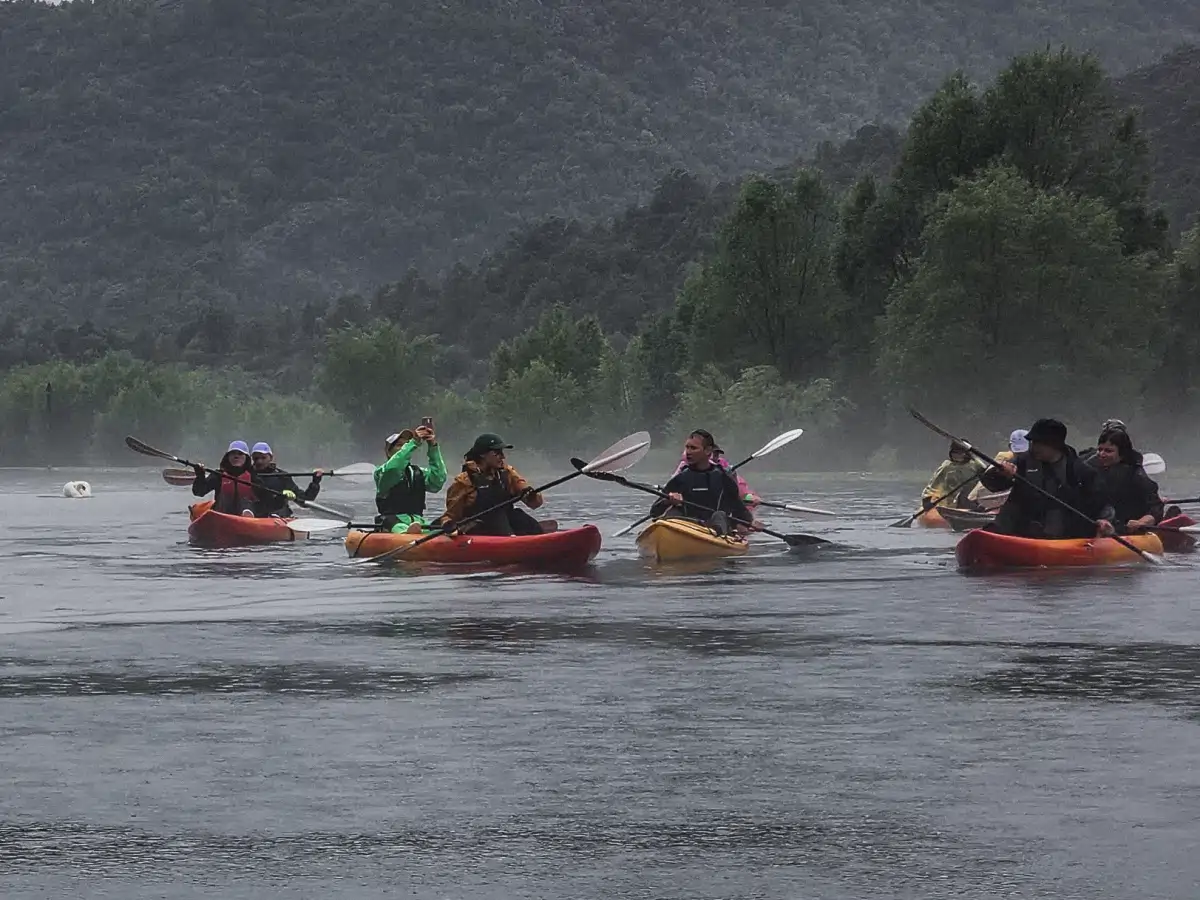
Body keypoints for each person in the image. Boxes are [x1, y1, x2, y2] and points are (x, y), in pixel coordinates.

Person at [980, 418, 1115, 539]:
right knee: (1012, 508)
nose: (1032, 447)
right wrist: (1000, 474)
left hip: (1059, 533)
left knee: (1056, 512)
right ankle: (999, 535)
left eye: (1038, 443)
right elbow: (991, 485)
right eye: (1032, 442)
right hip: (1021, 527)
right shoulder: (1022, 462)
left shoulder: (1079, 470)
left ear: (1054, 445)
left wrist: (1104, 520)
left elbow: (1102, 503)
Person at [652, 429, 763, 535]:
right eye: (687, 448)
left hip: (714, 528)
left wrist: (750, 522)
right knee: (673, 513)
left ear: (708, 451)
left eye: (693, 448)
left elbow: (738, 507)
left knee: (720, 515)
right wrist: (667, 500)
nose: (688, 452)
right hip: (688, 526)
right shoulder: (680, 478)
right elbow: (654, 512)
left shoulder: (723, 478)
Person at [437, 433, 544, 536]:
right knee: (496, 515)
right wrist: (448, 525)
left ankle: (539, 539)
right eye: (496, 453)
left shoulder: (507, 473)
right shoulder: (464, 481)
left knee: (518, 514)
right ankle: (510, 541)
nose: (502, 457)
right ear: (483, 455)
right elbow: (450, 516)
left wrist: (531, 495)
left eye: (502, 452)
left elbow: (535, 504)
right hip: (477, 529)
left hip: (505, 525)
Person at [1086, 427, 1163, 533]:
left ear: (1122, 454)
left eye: (1108, 451)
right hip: (1101, 525)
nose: (1102, 454)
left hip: (1127, 529)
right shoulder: (1090, 468)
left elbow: (1156, 507)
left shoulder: (1136, 475)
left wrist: (1142, 522)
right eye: (1100, 449)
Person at [374, 425, 447, 533]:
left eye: (406, 445)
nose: (405, 448)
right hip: (392, 523)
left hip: (419, 523)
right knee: (392, 522)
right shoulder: (381, 472)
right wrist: (413, 443)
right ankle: (406, 533)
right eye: (399, 445)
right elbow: (394, 468)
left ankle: (425, 534)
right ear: (389, 452)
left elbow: (438, 481)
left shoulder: (418, 472)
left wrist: (433, 446)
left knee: (443, 522)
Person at [672, 440, 760, 510]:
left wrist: (750, 496)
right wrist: (672, 495)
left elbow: (739, 488)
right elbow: (672, 485)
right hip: (689, 507)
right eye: (712, 454)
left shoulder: (723, 469)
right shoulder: (685, 467)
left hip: (715, 510)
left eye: (716, 455)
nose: (714, 458)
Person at [249, 442, 322, 518]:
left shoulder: (282, 477)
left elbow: (304, 500)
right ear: (252, 459)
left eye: (263, 458)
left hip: (278, 514)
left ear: (271, 458)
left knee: (280, 509)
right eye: (256, 458)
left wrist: (315, 483)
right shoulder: (248, 474)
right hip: (256, 512)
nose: (259, 461)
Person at [191, 440, 256, 515]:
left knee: (246, 500)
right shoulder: (218, 475)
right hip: (222, 515)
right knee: (226, 499)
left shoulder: (253, 476)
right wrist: (200, 475)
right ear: (227, 457)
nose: (236, 456)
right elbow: (199, 492)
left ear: (246, 458)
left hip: (245, 517)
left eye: (240, 454)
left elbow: (265, 499)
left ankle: (247, 514)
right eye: (233, 453)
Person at [921, 442, 986, 511]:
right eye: (954, 453)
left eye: (959, 453)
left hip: (972, 498)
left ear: (966, 454)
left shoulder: (976, 464)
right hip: (950, 500)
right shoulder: (947, 466)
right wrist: (926, 499)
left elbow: (988, 478)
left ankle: (978, 509)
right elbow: (933, 484)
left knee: (968, 493)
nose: (956, 456)